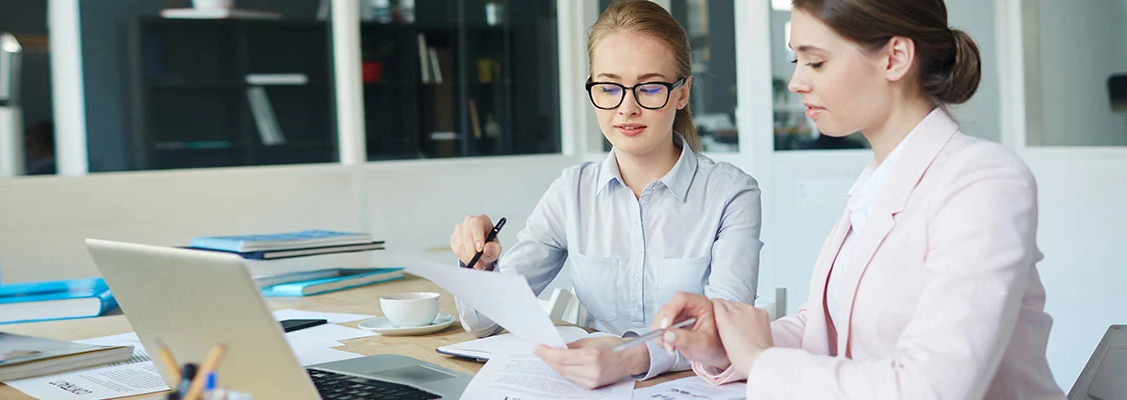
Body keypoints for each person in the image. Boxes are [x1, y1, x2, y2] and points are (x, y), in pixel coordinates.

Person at [652, 0, 1065, 398]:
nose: (796, 82)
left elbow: (930, 389)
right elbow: (822, 325)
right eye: (797, 60)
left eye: (816, 62)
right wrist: (727, 344)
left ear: (895, 58)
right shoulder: (877, 183)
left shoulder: (982, 181)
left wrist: (760, 361)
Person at [447, 0, 763, 389]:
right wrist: (479, 267)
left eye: (650, 87)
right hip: (592, 388)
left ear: (682, 93)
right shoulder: (571, 192)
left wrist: (631, 357)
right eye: (610, 88)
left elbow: (727, 332)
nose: (626, 108)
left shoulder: (732, 194)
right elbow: (485, 322)